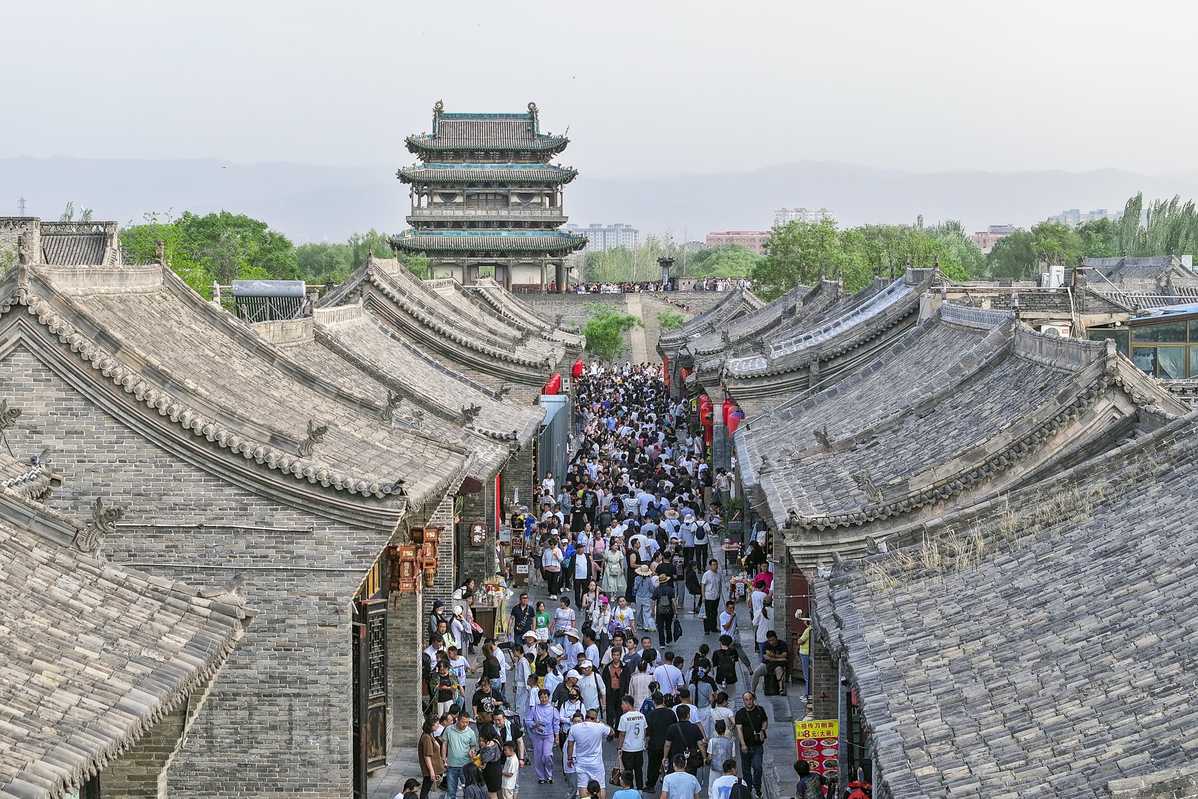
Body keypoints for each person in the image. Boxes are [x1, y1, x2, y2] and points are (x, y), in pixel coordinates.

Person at [566, 708, 612, 798]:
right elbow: (611, 732)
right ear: (595, 718)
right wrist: (600, 722)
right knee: (601, 785)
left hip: (581, 763)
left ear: (585, 716)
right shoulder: (599, 726)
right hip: (596, 763)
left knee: (582, 786)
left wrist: (569, 758)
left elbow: (570, 745)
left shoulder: (574, 728)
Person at [734, 693, 768, 799]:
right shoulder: (740, 714)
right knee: (746, 770)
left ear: (753, 699)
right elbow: (739, 729)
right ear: (743, 701)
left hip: (757, 746)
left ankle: (757, 788)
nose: (748, 702)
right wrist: (743, 744)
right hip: (746, 746)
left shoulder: (760, 710)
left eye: (750, 699)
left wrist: (762, 730)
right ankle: (748, 789)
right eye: (746, 699)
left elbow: (765, 721)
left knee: (758, 767)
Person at [525, 689, 560, 784]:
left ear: (548, 697)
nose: (543, 699)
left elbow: (556, 724)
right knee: (538, 757)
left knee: (547, 755)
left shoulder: (553, 710)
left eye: (545, 697)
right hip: (537, 736)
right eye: (541, 697)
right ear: (539, 698)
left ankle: (549, 774)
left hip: (549, 735)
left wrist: (557, 736)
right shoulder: (534, 709)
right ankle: (541, 776)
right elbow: (528, 721)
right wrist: (534, 724)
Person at [442, 711, 479, 799]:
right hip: (452, 765)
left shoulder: (471, 732)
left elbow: (473, 746)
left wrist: (472, 750)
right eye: (463, 722)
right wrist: (443, 758)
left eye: (467, 722)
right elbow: (444, 744)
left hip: (466, 766)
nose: (465, 724)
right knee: (451, 791)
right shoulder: (449, 729)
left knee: (468, 790)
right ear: (457, 720)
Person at [661, 704, 706, 777]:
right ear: (688, 715)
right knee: (690, 777)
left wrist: (665, 757)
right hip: (691, 759)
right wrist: (704, 757)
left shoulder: (672, 728)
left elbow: (667, 745)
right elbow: (700, 744)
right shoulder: (694, 727)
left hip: (675, 758)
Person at [645, 696, 678, 789]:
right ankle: (670, 783)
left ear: (654, 702)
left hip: (654, 744)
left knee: (653, 765)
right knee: (670, 764)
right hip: (669, 743)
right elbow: (675, 727)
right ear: (663, 701)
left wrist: (646, 743)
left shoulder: (650, 715)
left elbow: (648, 732)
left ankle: (650, 785)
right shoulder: (671, 713)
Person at [615, 695, 647, 790]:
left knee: (628, 771)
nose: (621, 706)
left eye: (622, 704)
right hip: (639, 748)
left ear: (627, 704)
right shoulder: (641, 716)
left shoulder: (624, 717)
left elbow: (622, 734)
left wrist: (619, 747)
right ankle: (640, 789)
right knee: (638, 770)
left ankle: (630, 789)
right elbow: (644, 730)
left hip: (628, 749)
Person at [752, 630, 790, 697]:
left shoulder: (782, 644)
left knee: (779, 670)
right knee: (756, 672)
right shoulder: (765, 644)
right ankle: (753, 691)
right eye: (770, 640)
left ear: (776, 638)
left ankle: (781, 689)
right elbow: (766, 657)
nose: (772, 642)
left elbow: (785, 655)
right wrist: (779, 658)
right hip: (767, 664)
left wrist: (773, 656)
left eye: (773, 640)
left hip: (778, 665)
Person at [419, 718, 445, 799]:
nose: (438, 725)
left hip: (434, 768)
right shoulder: (426, 737)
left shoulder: (430, 734)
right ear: (430, 725)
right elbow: (427, 756)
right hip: (430, 769)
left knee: (426, 791)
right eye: (436, 724)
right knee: (425, 791)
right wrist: (432, 772)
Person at [706, 721, 735, 788]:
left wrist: (706, 760)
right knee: (726, 787)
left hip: (715, 769)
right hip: (727, 770)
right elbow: (732, 757)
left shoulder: (712, 741)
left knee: (713, 787)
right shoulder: (731, 742)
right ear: (725, 729)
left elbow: (710, 757)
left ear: (715, 729)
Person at [653, 574, 678, 648]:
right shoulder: (670, 589)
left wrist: (653, 611)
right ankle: (669, 640)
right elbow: (673, 601)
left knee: (660, 627)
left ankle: (662, 643)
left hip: (659, 611)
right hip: (669, 611)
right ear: (666, 581)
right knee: (668, 626)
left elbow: (653, 601)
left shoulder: (657, 589)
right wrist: (675, 611)